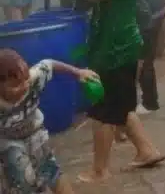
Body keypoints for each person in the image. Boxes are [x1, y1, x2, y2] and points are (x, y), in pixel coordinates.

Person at [77, 0, 164, 183]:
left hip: (116, 49)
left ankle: (99, 170)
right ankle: (147, 150)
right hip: (115, 46)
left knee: (103, 112)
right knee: (122, 106)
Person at [0, 49, 99, 194]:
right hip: (8, 142)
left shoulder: (34, 78)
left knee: (52, 171)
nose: (24, 87)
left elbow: (49, 64)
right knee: (23, 181)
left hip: (34, 132)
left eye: (25, 80)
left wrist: (78, 72)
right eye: (16, 86)